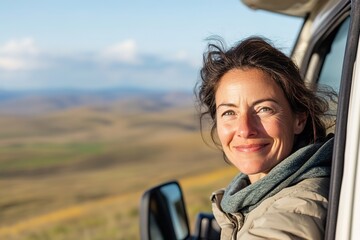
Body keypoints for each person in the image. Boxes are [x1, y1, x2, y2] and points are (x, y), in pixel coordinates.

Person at [196, 36, 335, 239]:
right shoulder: (255, 196)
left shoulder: (295, 208)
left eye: (264, 109)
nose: (245, 129)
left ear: (299, 119)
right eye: (229, 112)